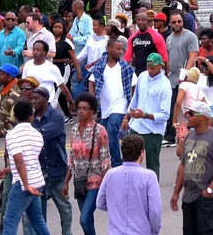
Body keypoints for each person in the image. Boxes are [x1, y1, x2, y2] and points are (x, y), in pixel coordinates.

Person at [170, 101, 213, 235]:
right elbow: (183, 165)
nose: (187, 117)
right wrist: (176, 193)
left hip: (206, 196)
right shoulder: (189, 137)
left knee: (206, 231)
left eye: (191, 114)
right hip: (189, 196)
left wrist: (210, 190)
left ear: (202, 117)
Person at [63, 93, 110, 235]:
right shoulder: (74, 130)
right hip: (79, 181)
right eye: (79, 108)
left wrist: (108, 183)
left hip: (95, 181)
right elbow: (72, 159)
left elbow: (105, 159)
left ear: (93, 111)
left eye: (85, 108)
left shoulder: (100, 131)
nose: (81, 111)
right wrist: (65, 182)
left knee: (83, 219)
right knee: (87, 220)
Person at [2, 99, 51, 235]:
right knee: (37, 219)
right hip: (37, 181)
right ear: (31, 117)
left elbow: (20, 161)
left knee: (10, 221)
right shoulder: (37, 135)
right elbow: (29, 160)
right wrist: (7, 170)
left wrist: (25, 184)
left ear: (15, 117)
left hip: (23, 184)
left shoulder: (12, 135)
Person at [97, 134, 162, 235]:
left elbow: (100, 203)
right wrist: (155, 230)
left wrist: (116, 208)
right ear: (142, 153)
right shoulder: (149, 176)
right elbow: (154, 211)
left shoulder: (110, 174)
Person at [29, 86, 72, 235]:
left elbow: (42, 134)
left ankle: (67, 233)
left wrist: (25, 133)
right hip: (39, 173)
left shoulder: (56, 116)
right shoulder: (32, 118)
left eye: (36, 98)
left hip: (56, 170)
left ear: (46, 99)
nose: (33, 101)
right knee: (38, 213)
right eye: (32, 98)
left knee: (64, 208)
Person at [122, 53, 172, 180]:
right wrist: (126, 117)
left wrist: (144, 115)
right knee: (129, 158)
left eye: (153, 68)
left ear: (160, 66)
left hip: (152, 130)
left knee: (152, 163)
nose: (150, 70)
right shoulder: (143, 76)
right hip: (136, 126)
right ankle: (130, 183)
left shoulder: (165, 86)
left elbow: (164, 115)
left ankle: (152, 190)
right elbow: (135, 98)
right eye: (148, 67)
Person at [89, 39, 134, 167]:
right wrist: (93, 101)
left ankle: (116, 162)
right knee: (102, 134)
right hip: (105, 107)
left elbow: (133, 86)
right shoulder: (100, 66)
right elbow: (91, 82)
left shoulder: (125, 67)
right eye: (117, 49)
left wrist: (130, 105)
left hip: (120, 105)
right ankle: (104, 160)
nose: (120, 51)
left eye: (121, 49)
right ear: (109, 49)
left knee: (112, 128)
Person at [164, 13, 199, 147]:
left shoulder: (190, 36)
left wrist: (184, 74)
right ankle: (171, 136)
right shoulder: (169, 38)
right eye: (174, 22)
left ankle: (194, 134)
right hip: (172, 78)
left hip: (186, 79)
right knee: (172, 105)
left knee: (188, 107)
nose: (177, 24)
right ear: (170, 24)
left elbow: (193, 56)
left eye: (179, 21)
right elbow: (168, 57)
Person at [22, 40, 75, 108]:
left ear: (44, 52)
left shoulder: (51, 67)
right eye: (34, 50)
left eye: (38, 50)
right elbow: (24, 83)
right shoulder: (28, 65)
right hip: (31, 102)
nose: (35, 52)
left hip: (47, 102)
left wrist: (70, 101)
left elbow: (62, 86)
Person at [53, 19, 82, 122]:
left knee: (58, 90)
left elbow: (74, 58)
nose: (57, 29)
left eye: (59, 27)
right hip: (53, 67)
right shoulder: (50, 40)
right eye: (55, 27)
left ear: (63, 29)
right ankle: (67, 115)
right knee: (59, 93)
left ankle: (64, 114)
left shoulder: (66, 42)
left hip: (64, 67)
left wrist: (79, 72)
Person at [124, 12, 168, 76]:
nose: (140, 22)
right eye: (138, 20)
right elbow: (127, 59)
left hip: (154, 74)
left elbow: (164, 58)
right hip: (139, 74)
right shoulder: (132, 38)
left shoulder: (156, 36)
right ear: (136, 21)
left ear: (147, 21)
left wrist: (164, 75)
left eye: (143, 20)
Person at [75, 15, 109, 96]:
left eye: (95, 25)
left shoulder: (107, 39)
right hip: (89, 71)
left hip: (101, 71)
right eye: (92, 25)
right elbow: (85, 51)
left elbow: (106, 56)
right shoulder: (91, 37)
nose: (93, 27)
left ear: (101, 26)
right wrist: (76, 60)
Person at [0, 63, 21, 139]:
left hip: (14, 133)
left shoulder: (18, 92)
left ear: (9, 77)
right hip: (4, 131)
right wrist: (0, 128)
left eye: (2, 74)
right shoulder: (2, 88)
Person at [197, 56, 213, 131]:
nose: (203, 70)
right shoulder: (200, 76)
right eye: (202, 67)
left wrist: (206, 60)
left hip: (212, 108)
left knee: (210, 133)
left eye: (206, 68)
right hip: (200, 108)